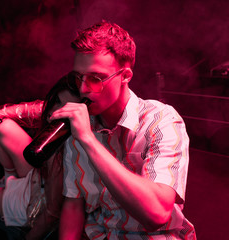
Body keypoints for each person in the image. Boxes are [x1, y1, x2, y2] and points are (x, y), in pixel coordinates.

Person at [45, 21, 196, 239]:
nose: (83, 89)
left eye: (96, 78)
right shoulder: (80, 124)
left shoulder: (161, 119)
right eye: (78, 77)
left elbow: (157, 214)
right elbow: (74, 203)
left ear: (125, 76)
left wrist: (89, 140)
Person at [0, 76, 81, 240]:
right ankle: (10, 179)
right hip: (38, 176)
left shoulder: (64, 159)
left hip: (35, 204)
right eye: (57, 100)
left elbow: (52, 214)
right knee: (2, 126)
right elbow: (11, 111)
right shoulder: (53, 113)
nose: (55, 111)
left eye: (66, 107)